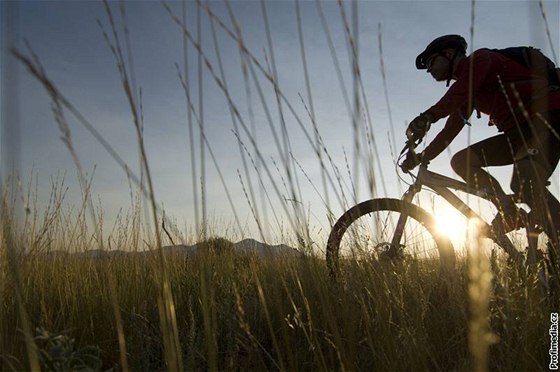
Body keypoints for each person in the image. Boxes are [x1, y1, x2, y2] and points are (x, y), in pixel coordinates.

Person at [402, 34, 560, 246]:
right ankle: (508, 211)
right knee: (462, 161)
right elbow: (449, 131)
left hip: (549, 119)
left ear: (449, 54)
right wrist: (423, 157)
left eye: (431, 62)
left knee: (525, 182)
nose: (429, 70)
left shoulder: (481, 59)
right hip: (518, 135)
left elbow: (458, 92)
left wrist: (427, 117)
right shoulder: (468, 92)